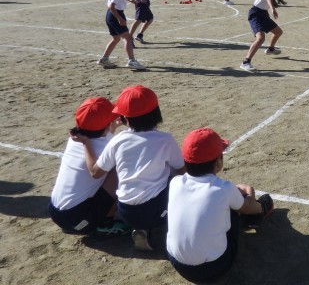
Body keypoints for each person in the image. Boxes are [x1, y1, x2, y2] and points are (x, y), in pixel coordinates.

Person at [72, 85, 186, 251]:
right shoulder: (165, 139)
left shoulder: (118, 140)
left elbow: (95, 172)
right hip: (154, 212)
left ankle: (140, 228)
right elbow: (183, 171)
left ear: (124, 118)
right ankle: (162, 224)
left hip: (125, 211)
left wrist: (86, 143)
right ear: (157, 113)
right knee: (176, 179)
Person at [166, 128, 274, 282]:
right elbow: (249, 207)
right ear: (218, 162)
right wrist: (252, 196)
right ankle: (255, 219)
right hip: (215, 267)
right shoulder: (223, 188)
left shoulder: (175, 182)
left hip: (179, 264)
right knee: (234, 208)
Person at [49, 97, 123, 235]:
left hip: (55, 212)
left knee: (107, 166)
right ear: (107, 125)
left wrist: (110, 128)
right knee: (119, 167)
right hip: (77, 219)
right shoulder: (108, 147)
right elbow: (102, 152)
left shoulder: (75, 139)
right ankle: (107, 223)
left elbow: (99, 142)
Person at [96, 0, 145, 70]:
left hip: (109, 15)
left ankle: (104, 59)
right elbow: (112, 6)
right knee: (127, 38)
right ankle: (132, 61)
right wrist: (120, 18)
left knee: (116, 38)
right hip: (115, 15)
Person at [240, 0, 286, 72]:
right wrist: (273, 9)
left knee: (278, 32)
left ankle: (270, 49)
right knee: (260, 38)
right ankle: (246, 62)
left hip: (263, 14)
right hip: (255, 14)